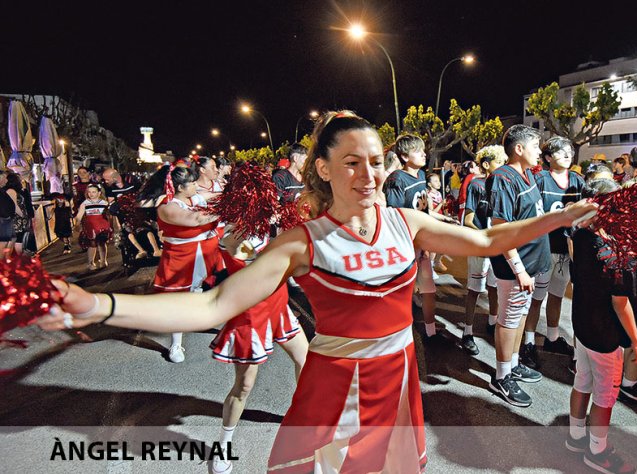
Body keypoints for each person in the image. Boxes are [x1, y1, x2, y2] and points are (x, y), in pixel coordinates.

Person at [40, 111, 598, 472]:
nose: (369, 174)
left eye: (376, 162)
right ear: (324, 170)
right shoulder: (302, 242)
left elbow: (486, 237)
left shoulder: (408, 222)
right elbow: (212, 304)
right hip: (336, 389)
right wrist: (101, 305)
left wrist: (563, 216)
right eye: (351, 163)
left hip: (399, 379)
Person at [209, 229, 309, 474]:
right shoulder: (228, 236)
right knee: (244, 386)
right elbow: (246, 254)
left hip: (279, 308)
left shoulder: (267, 225)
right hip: (251, 317)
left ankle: (302, 416)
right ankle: (223, 445)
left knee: (307, 363)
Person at [567, 177, 637, 474]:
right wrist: (636, 341)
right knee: (605, 396)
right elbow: (620, 302)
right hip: (604, 332)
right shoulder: (611, 249)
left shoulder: (579, 234)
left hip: (582, 322)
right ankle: (598, 452)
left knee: (582, 381)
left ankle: (575, 436)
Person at [485, 125, 549, 407]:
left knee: (521, 314)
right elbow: (501, 229)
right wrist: (519, 269)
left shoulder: (526, 175)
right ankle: (501, 376)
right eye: (535, 146)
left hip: (531, 263)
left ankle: (512, 364)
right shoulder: (502, 178)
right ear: (519, 149)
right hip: (515, 266)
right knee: (508, 319)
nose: (540, 151)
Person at [137, 164, 222, 363]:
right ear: (181, 187)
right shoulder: (168, 207)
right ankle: (175, 344)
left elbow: (212, 196)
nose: (196, 186)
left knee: (200, 292)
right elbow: (196, 220)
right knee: (179, 300)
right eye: (192, 183)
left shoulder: (192, 198)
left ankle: (204, 322)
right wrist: (226, 211)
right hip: (181, 259)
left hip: (203, 254)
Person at [520, 136, 583, 370]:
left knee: (557, 296)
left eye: (569, 151)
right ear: (547, 158)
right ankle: (528, 343)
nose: (568, 155)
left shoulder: (577, 180)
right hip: (544, 250)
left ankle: (552, 338)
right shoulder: (540, 179)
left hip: (568, 250)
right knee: (536, 299)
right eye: (560, 152)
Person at [383, 134, 443, 343]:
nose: (424, 153)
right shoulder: (396, 179)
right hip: (406, 245)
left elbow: (423, 211)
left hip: (422, 242)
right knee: (404, 292)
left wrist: (443, 220)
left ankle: (431, 333)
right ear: (404, 156)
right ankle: (399, 335)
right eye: (418, 151)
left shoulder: (419, 177)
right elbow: (394, 215)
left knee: (429, 289)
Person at [457, 145, 506, 354]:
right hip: (481, 245)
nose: (504, 166)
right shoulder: (477, 185)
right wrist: (486, 236)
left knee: (495, 287)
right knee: (475, 289)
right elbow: (467, 220)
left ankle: (492, 322)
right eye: (500, 162)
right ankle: (467, 333)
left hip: (497, 245)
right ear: (486, 164)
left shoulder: (504, 184)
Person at [103, 168, 161, 260]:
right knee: (128, 232)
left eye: (107, 179)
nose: (105, 181)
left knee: (147, 228)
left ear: (114, 177)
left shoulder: (131, 180)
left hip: (138, 211)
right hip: (123, 214)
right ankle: (139, 251)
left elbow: (142, 193)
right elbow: (111, 202)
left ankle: (156, 249)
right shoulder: (109, 188)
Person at [75, 184, 113, 270]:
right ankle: (91, 262)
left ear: (99, 193)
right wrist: (77, 223)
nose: (91, 194)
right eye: (89, 192)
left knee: (102, 243)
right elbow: (80, 214)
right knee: (92, 244)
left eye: (94, 192)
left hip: (102, 225)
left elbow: (109, 215)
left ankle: (103, 260)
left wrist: (111, 225)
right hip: (90, 225)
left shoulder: (104, 203)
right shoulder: (85, 203)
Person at [0, 170, 18, 250]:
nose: (7, 180)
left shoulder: (2, 190)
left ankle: (6, 260)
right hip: (4, 219)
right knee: (4, 242)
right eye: (4, 178)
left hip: (7, 218)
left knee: (11, 239)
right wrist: (6, 216)